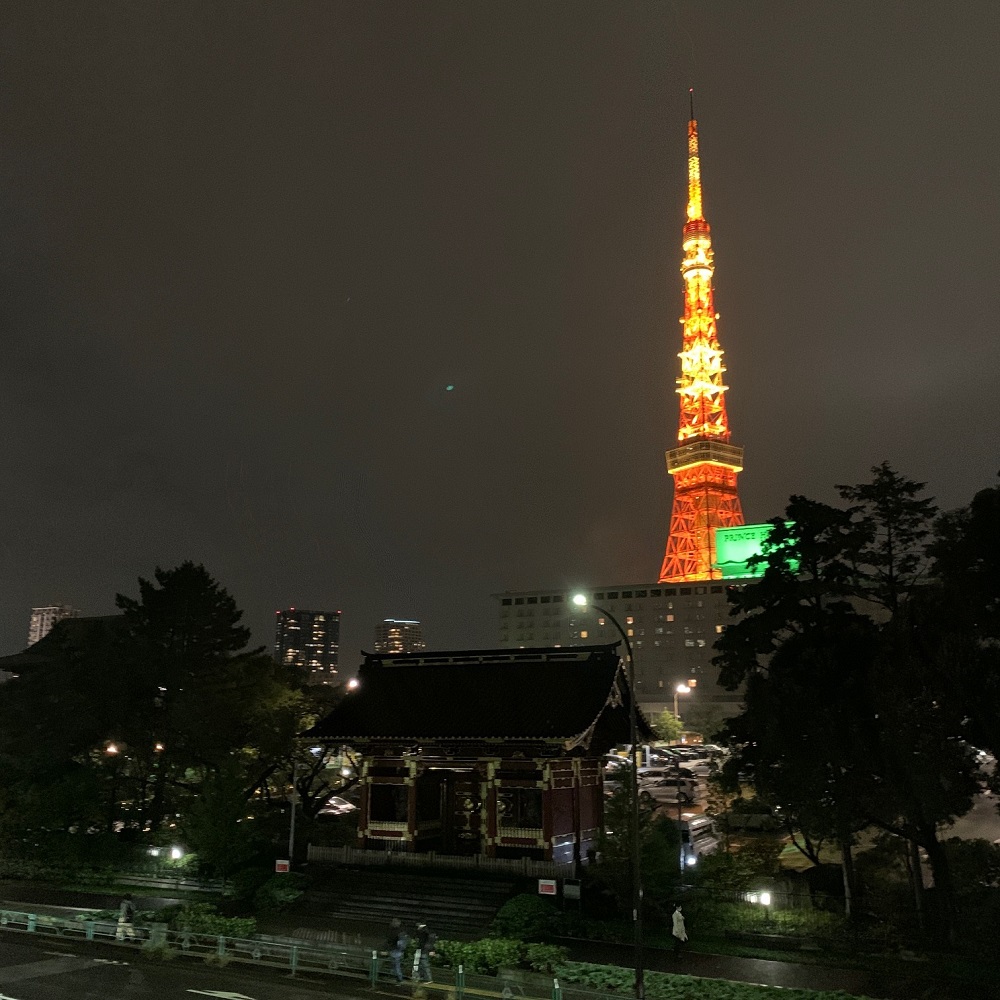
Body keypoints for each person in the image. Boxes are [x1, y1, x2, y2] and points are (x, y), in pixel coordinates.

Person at [384, 918, 408, 983]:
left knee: (395, 965)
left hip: (394, 950)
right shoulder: (402, 931)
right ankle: (398, 978)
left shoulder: (393, 931)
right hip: (398, 950)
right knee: (396, 965)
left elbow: (390, 940)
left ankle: (399, 979)